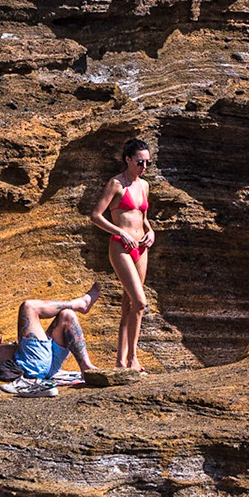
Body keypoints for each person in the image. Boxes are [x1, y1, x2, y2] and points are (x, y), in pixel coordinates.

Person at [0, 285, 102, 397]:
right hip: (30, 365)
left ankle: (86, 368)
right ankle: (79, 304)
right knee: (28, 307)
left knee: (67, 316)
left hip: (45, 363)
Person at [90, 138, 155, 372]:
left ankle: (122, 360)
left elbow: (143, 218)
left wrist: (151, 232)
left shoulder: (145, 186)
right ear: (128, 159)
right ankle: (133, 359)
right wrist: (120, 232)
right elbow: (96, 215)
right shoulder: (116, 184)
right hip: (120, 245)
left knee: (128, 304)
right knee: (140, 302)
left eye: (148, 162)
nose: (144, 167)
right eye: (140, 162)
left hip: (142, 247)